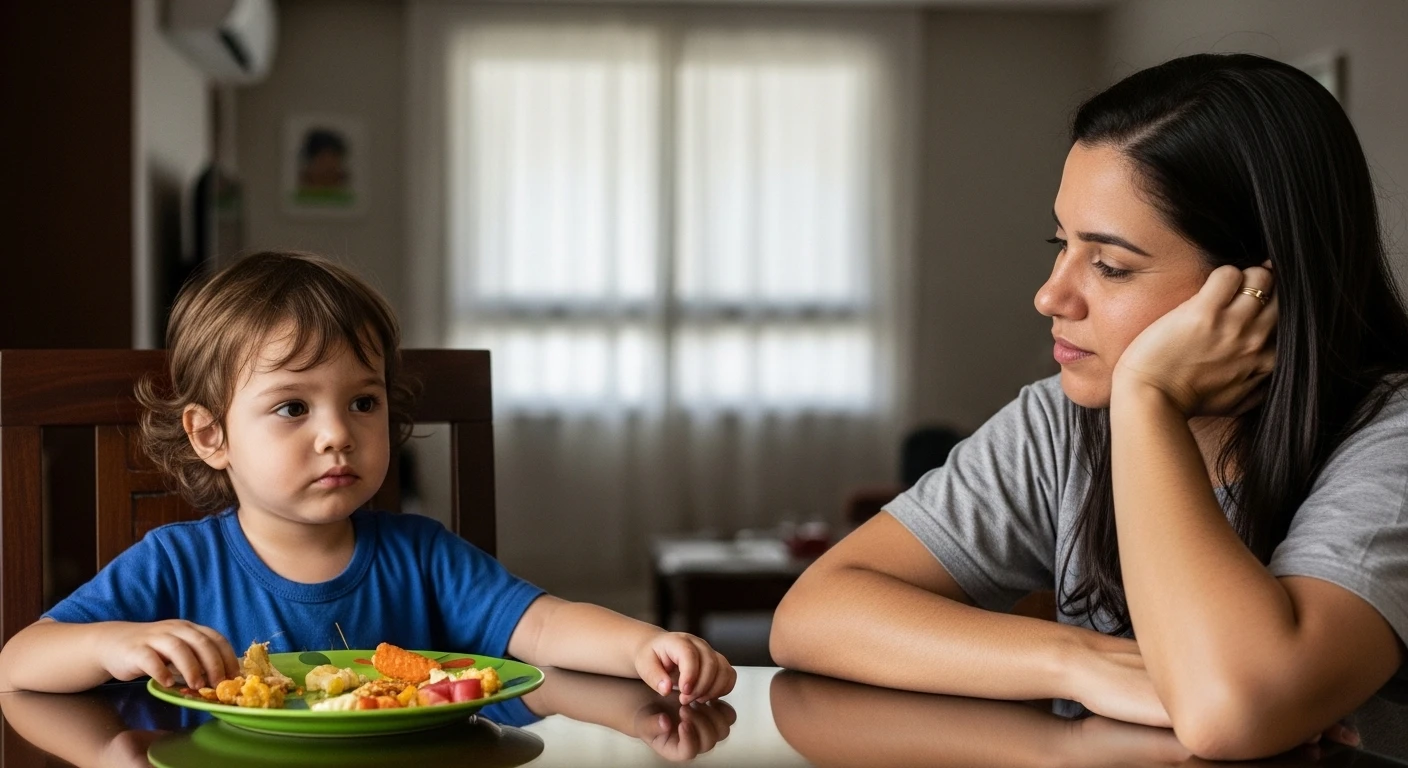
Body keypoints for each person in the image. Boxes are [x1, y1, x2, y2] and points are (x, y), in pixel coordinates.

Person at [770, 52, 1408, 760]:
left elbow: (1232, 713)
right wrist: (1079, 661)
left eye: (1110, 265)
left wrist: (1147, 399)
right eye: (1061, 243)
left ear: (1259, 292)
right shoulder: (1061, 424)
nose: (1050, 295)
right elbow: (813, 614)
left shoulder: (1392, 442)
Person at [0, 251, 736, 707]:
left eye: (363, 402)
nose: (337, 433)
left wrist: (642, 646)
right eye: (292, 407)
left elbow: (541, 625)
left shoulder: (423, 555)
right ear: (210, 435)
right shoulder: (173, 564)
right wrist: (112, 645)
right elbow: (19, 660)